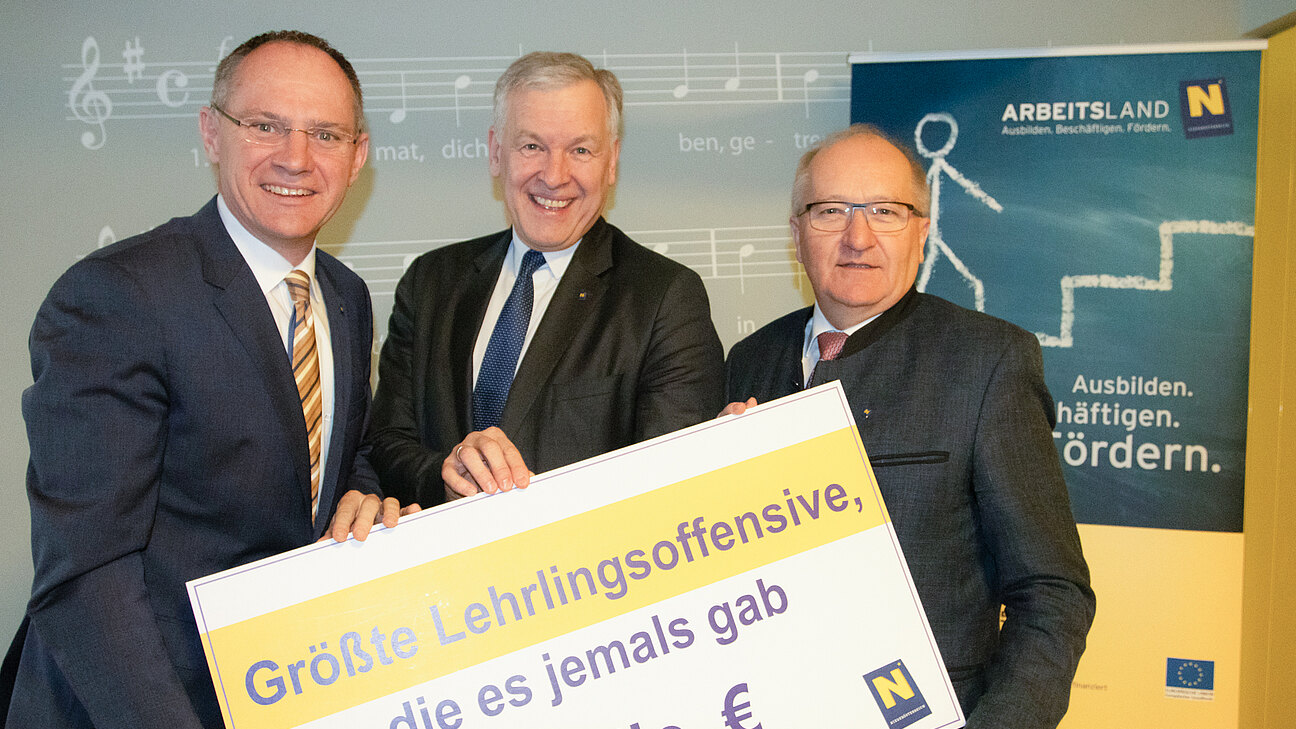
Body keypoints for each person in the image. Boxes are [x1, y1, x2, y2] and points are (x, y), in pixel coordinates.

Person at [7, 31, 413, 729]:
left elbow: (337, 457)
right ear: (211, 133)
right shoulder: (117, 296)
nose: (296, 157)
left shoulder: (345, 296)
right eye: (265, 126)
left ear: (358, 155)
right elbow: (87, 574)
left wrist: (362, 494)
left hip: (279, 690)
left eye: (325, 134)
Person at [723, 125, 1095, 728]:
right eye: (830, 211)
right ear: (796, 234)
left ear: (922, 233)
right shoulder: (748, 361)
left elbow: (1051, 593)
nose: (857, 237)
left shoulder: (988, 361)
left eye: (885, 212)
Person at [368, 52, 724, 505]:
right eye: (532, 146)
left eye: (580, 150)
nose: (554, 176)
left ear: (611, 162)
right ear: (496, 152)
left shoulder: (665, 298)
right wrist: (445, 475)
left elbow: (671, 484)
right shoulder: (429, 282)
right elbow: (386, 444)